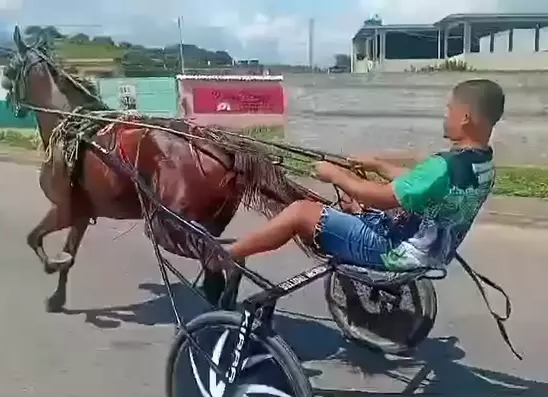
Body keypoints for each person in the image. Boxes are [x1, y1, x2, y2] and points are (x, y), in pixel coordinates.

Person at [211, 79, 504, 288]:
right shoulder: (482, 164)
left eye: (449, 109)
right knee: (351, 201)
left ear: (465, 118)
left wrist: (336, 175)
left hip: (396, 250)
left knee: (300, 212)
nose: (445, 115)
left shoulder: (442, 166)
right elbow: (421, 183)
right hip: (433, 250)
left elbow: (382, 198)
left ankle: (224, 256)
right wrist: (377, 165)